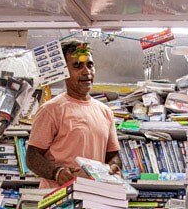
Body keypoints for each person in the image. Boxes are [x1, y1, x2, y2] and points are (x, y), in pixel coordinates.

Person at [26, 41, 121, 189]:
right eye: (77, 66)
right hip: (57, 201)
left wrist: (114, 166)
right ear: (64, 71)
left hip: (94, 198)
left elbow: (113, 155)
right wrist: (56, 172)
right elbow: (32, 157)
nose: (86, 72)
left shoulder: (105, 111)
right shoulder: (51, 110)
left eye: (89, 65)